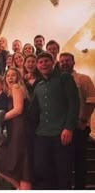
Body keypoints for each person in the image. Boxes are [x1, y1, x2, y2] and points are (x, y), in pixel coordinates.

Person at [31, 52, 80, 190]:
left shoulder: (65, 78)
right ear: (37, 66)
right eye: (40, 62)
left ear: (53, 63)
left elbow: (74, 104)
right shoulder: (38, 85)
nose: (43, 64)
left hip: (61, 134)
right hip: (42, 135)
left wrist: (69, 128)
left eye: (46, 61)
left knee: (63, 174)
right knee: (43, 171)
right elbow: (32, 111)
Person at [0, 67, 32, 190]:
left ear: (18, 77)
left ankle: (21, 188)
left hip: (20, 128)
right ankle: (20, 187)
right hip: (14, 128)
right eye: (8, 76)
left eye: (13, 75)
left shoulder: (16, 87)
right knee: (2, 161)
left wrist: (0, 119)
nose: (10, 78)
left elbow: (18, 110)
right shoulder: (8, 92)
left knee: (17, 160)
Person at [59, 52, 95, 189]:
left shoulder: (83, 79)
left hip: (79, 128)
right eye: (61, 61)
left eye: (67, 60)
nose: (64, 63)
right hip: (62, 128)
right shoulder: (58, 81)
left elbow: (91, 101)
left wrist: (83, 121)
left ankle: (80, 188)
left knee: (79, 161)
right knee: (65, 163)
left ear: (73, 62)